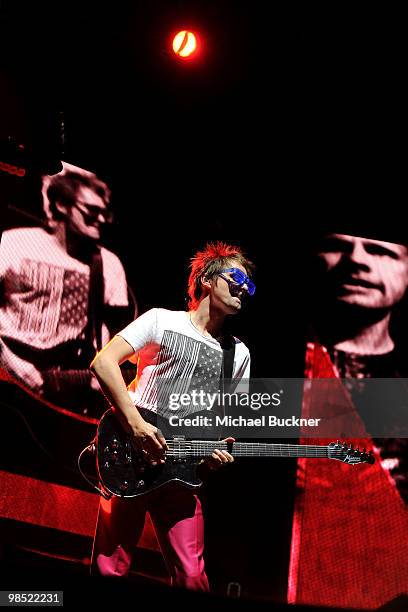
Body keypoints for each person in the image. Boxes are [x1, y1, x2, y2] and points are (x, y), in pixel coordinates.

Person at [89, 241, 254, 590]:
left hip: (181, 474)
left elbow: (223, 423)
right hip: (129, 459)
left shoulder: (238, 354)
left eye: (249, 285)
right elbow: (103, 362)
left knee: (193, 577)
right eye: (236, 277)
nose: (244, 288)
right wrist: (135, 426)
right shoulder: (161, 321)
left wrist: (217, 452)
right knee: (110, 570)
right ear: (207, 279)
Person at [0, 163, 131, 415]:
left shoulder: (109, 263)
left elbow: (111, 333)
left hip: (62, 387)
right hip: (8, 375)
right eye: (92, 211)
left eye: (105, 213)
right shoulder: (14, 243)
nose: (101, 220)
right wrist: (16, 368)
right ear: (62, 205)